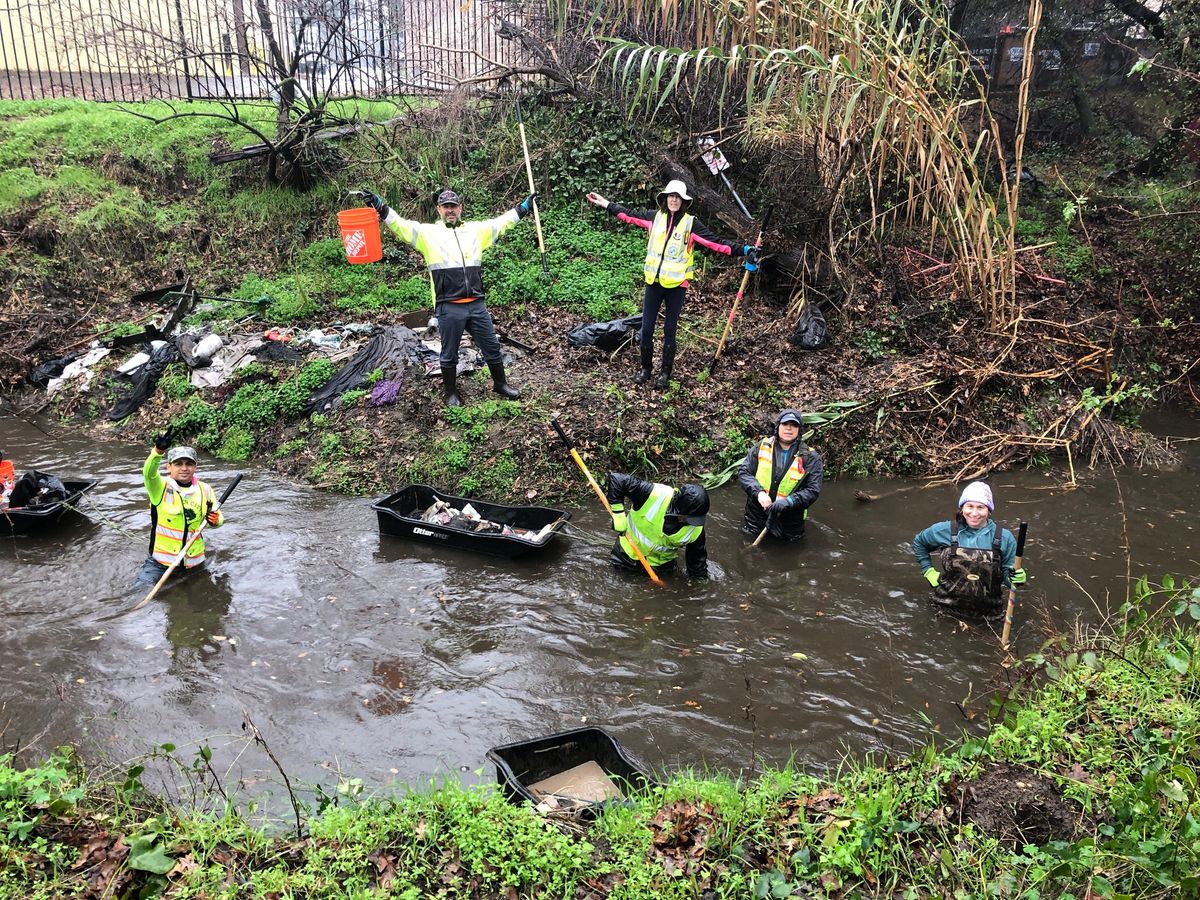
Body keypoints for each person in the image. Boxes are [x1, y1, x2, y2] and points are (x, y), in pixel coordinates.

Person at [357, 187, 536, 407]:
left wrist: (524, 208)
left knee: (491, 346)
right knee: (449, 354)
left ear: (460, 208)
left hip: (477, 305)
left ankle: (500, 384)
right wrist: (380, 206)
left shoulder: (475, 231)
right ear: (439, 209)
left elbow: (501, 223)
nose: (450, 210)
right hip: (449, 307)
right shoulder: (427, 234)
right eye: (446, 207)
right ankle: (451, 393)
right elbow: (400, 225)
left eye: (454, 206)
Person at [585, 180, 758, 389]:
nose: (674, 200)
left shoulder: (690, 224)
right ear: (665, 199)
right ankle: (645, 369)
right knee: (647, 329)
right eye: (671, 196)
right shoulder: (654, 218)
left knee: (669, 330)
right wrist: (606, 204)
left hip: (676, 287)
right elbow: (628, 214)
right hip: (653, 284)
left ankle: (665, 373)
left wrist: (746, 249)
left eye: (678, 197)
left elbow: (718, 243)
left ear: (683, 201)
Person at [911, 481, 1027, 613]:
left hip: (988, 613)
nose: (974, 513)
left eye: (980, 507)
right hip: (944, 607)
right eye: (969, 506)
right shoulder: (944, 530)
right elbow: (919, 542)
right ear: (962, 508)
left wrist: (1015, 579)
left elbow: (1008, 576)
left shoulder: (1004, 538)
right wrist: (928, 571)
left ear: (989, 510)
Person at [134, 435, 224, 589]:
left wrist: (216, 521)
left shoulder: (205, 489)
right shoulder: (159, 487)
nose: (184, 468)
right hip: (160, 562)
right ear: (169, 467)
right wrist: (158, 451)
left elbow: (219, 517)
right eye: (178, 464)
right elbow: (148, 473)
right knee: (138, 593)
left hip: (195, 561)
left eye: (189, 464)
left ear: (195, 467)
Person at [737, 409, 823, 541]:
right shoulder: (761, 446)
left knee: (789, 554)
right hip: (757, 515)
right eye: (785, 424)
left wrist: (789, 501)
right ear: (778, 427)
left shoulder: (811, 457)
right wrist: (759, 493)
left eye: (794, 425)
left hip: (790, 520)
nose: (789, 428)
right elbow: (744, 473)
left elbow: (812, 490)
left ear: (799, 430)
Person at [605, 472, 709, 578]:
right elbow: (617, 479)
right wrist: (618, 513)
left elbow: (697, 566)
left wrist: (700, 588)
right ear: (679, 510)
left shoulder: (696, 530)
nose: (691, 523)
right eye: (689, 518)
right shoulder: (653, 494)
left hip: (661, 568)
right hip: (626, 555)